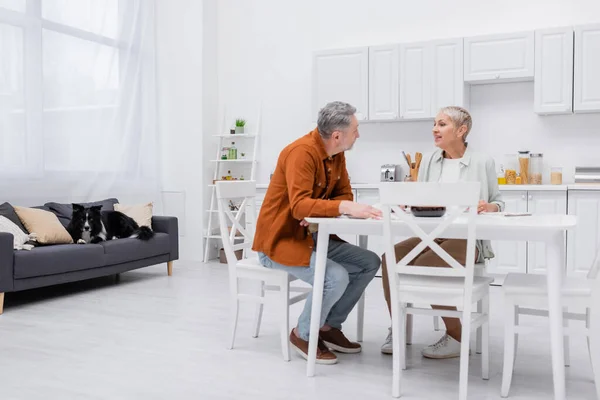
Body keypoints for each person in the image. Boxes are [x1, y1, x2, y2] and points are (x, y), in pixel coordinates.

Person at [253, 101, 382, 365]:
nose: (358, 134)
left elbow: (343, 193)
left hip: (313, 237)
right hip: (280, 242)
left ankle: (328, 327)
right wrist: (338, 208)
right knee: (335, 276)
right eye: (356, 129)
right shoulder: (301, 153)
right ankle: (303, 333)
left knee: (369, 262)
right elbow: (302, 206)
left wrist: (319, 212)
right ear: (337, 135)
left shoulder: (337, 153)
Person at [379, 106, 505, 359]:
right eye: (435, 124)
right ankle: (399, 328)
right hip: (432, 233)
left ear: (461, 130)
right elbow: (424, 199)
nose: (435, 129)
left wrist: (487, 206)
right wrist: (410, 200)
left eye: (442, 124)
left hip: (468, 239)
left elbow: (498, 202)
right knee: (389, 257)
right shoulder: (429, 160)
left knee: (431, 262)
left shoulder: (483, 161)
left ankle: (457, 337)